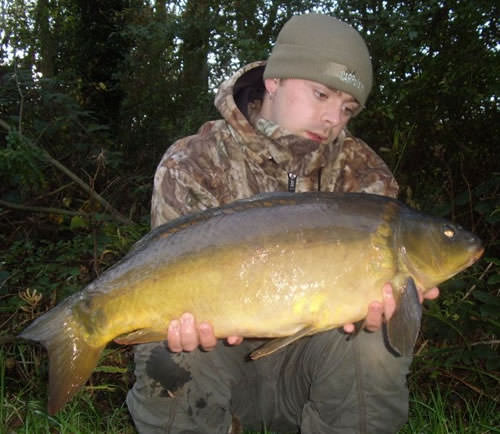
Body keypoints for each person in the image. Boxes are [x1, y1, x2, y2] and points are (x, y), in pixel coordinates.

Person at [126, 13, 439, 434]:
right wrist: (171, 326)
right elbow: (162, 267)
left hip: (310, 374)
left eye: (347, 108)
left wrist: (388, 305)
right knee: (166, 352)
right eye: (321, 94)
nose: (333, 118)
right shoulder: (193, 161)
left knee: (376, 341)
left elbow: (384, 287)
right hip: (216, 364)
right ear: (274, 80)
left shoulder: (362, 175)